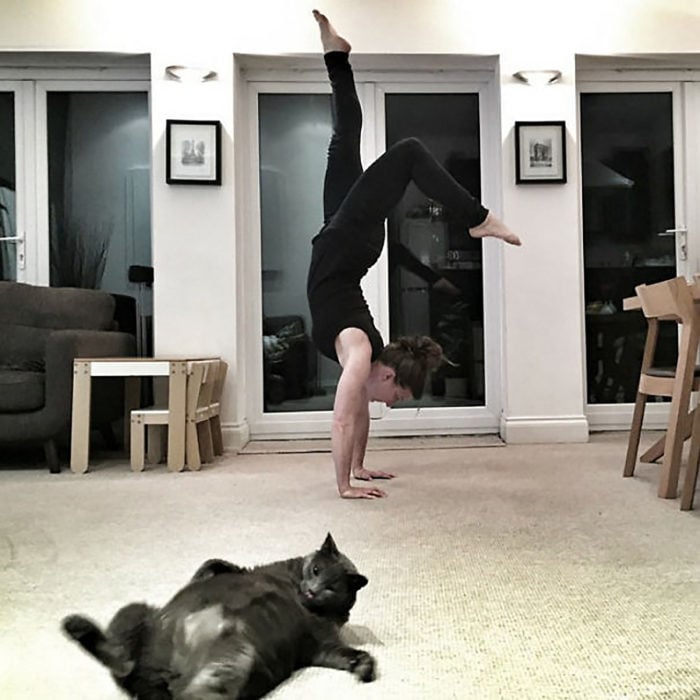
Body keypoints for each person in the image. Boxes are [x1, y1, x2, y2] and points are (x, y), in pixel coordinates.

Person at [308, 10, 521, 499]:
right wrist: (347, 481)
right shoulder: (363, 355)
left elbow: (352, 411)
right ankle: (476, 216)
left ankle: (336, 57)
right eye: (399, 393)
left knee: (344, 142)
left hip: (342, 239)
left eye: (398, 397)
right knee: (405, 152)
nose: (394, 401)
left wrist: (354, 473)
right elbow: (348, 415)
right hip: (347, 241)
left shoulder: (362, 358)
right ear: (386, 374)